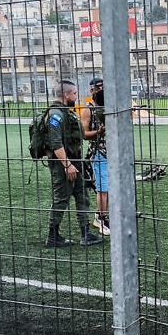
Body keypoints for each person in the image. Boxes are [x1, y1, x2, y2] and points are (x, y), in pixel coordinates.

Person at [43, 80, 104, 248]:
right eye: (75, 94)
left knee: (82, 196)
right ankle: (53, 235)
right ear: (66, 94)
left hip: (76, 162)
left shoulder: (66, 112)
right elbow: (56, 143)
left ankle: (85, 234)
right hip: (63, 165)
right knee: (61, 199)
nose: (76, 97)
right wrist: (67, 165)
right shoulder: (56, 114)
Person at [80, 77, 110, 236]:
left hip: (113, 152)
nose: (100, 90)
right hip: (99, 152)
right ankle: (101, 217)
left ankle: (106, 214)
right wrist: (99, 132)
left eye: (102, 87)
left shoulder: (109, 105)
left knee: (110, 188)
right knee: (103, 188)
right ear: (91, 90)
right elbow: (83, 134)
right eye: (97, 88)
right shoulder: (88, 109)